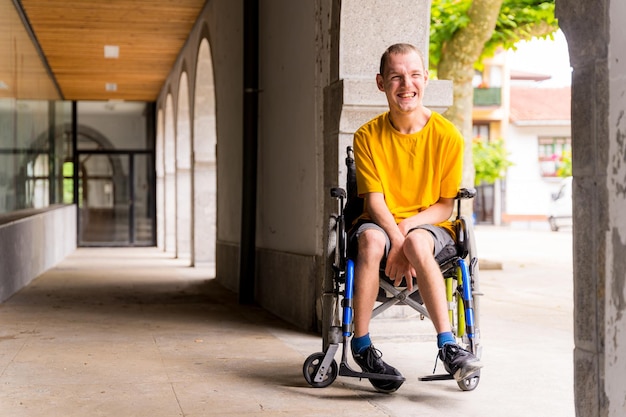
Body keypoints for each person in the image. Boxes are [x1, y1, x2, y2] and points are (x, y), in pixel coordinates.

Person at [349, 43, 483, 391]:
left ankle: (448, 345)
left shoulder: (446, 136)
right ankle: (361, 344)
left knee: (418, 242)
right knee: (369, 238)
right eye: (395, 76)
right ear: (381, 83)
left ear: (425, 78)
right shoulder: (366, 135)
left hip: (428, 226)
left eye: (413, 75)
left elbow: (443, 205)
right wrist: (396, 240)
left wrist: (406, 238)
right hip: (380, 224)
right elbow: (375, 203)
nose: (405, 84)